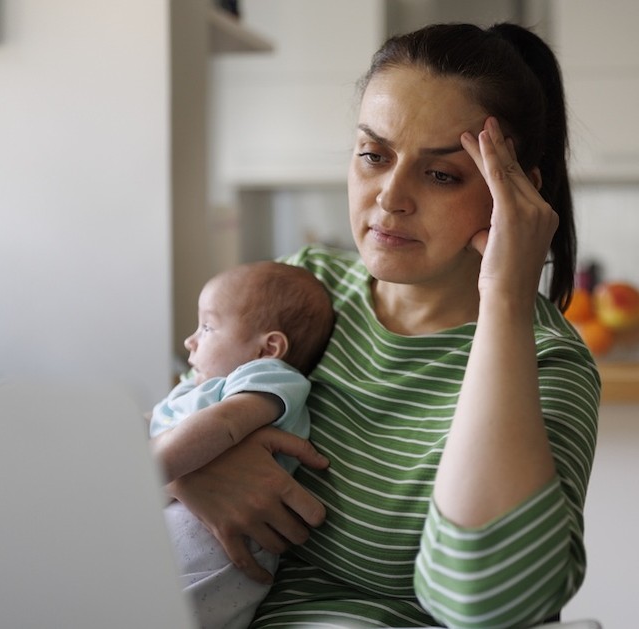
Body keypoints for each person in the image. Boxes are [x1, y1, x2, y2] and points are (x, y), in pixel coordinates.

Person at [166, 22, 602, 628]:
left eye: (442, 174)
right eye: (375, 154)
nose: (390, 197)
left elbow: (488, 607)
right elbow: (171, 420)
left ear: (517, 195)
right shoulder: (306, 286)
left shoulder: (547, 362)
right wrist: (195, 473)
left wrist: (504, 297)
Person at [149, 261, 334, 629]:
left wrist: (141, 474)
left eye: (207, 326)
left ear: (269, 348)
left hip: (220, 552)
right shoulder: (197, 385)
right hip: (173, 530)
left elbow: (225, 425)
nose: (191, 340)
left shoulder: (269, 377)